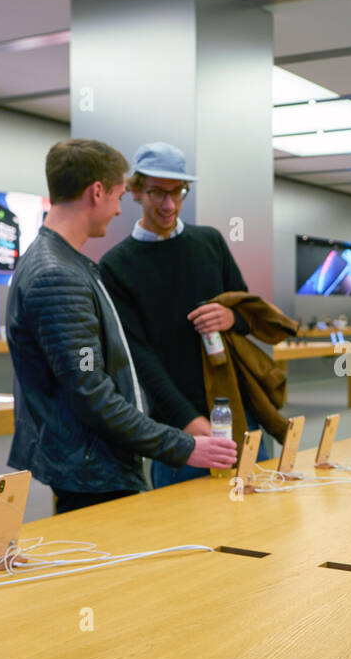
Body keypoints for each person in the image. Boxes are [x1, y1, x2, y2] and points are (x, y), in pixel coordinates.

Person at [6, 139, 235, 514]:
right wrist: (184, 445)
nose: (117, 209)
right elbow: (90, 393)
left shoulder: (65, 263)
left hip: (96, 463)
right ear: (97, 192)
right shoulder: (56, 275)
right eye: (116, 195)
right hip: (90, 470)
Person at [99, 142, 267, 488]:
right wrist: (188, 421)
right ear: (135, 192)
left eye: (178, 192)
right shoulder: (116, 266)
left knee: (262, 518)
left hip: (240, 412)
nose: (169, 205)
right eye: (157, 193)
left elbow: (251, 316)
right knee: (186, 533)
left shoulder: (210, 243)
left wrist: (231, 318)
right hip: (180, 429)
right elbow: (138, 356)